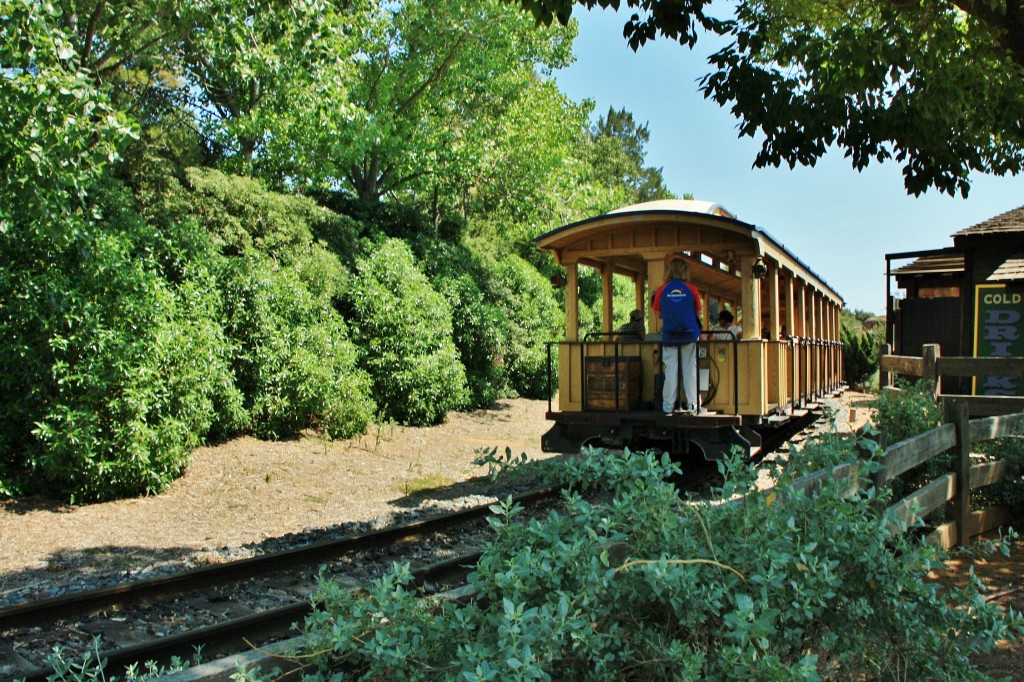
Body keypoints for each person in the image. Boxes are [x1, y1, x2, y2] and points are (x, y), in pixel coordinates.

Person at [653, 259, 702, 414]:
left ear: (669, 271)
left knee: (671, 371)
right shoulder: (692, 289)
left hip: (670, 335)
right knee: (690, 370)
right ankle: (693, 405)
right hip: (689, 334)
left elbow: (659, 314)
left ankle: (668, 406)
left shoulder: (662, 290)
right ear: (684, 271)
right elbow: (698, 312)